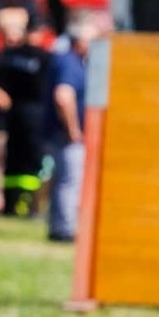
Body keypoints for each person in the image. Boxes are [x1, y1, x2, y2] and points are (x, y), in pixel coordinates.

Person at [0, 7, 52, 216]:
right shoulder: (13, 56)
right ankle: (12, 203)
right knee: (15, 161)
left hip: (33, 115)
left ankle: (29, 204)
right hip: (17, 115)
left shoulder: (43, 58)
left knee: (30, 162)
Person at [45, 15, 98, 243]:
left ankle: (58, 226)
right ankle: (65, 229)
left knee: (61, 181)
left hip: (59, 133)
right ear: (81, 42)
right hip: (67, 135)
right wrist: (74, 130)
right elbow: (63, 97)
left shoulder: (66, 60)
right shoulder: (71, 64)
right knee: (69, 181)